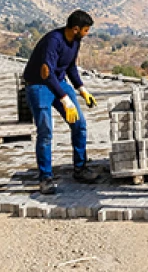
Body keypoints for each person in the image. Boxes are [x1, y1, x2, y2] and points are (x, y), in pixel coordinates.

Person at [22, 10, 100, 194]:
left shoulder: (75, 41)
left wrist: (82, 89)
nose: (87, 34)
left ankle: (80, 169)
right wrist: (65, 100)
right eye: (86, 30)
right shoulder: (53, 41)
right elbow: (46, 74)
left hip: (59, 83)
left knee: (79, 124)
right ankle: (45, 177)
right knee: (46, 131)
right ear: (75, 28)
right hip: (39, 86)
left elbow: (70, 66)